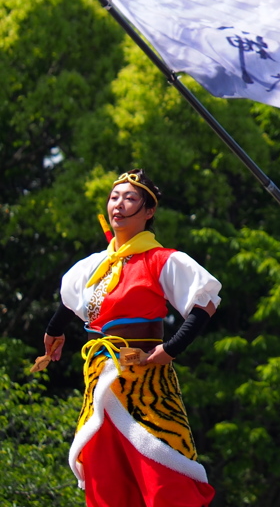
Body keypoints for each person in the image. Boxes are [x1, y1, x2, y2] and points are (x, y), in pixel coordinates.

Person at [42, 169, 221, 507]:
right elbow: (70, 303)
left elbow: (205, 303)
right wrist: (54, 331)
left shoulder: (161, 260)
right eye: (114, 197)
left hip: (144, 380)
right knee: (104, 475)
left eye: (130, 198)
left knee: (162, 472)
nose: (119, 205)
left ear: (148, 211)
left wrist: (171, 349)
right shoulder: (96, 265)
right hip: (101, 379)